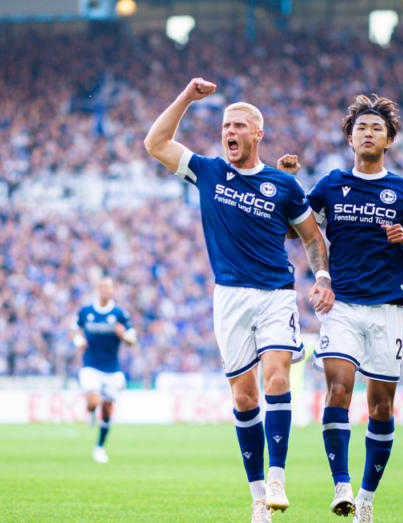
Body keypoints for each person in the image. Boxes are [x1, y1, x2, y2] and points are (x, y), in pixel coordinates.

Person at [143, 78, 335, 523]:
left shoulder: (281, 185)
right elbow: (155, 143)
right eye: (226, 124)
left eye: (238, 125)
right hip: (228, 296)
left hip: (275, 294)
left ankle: (276, 477)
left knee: (276, 380)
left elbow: (311, 237)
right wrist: (188, 97)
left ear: (257, 134)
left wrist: (322, 276)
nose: (229, 131)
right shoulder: (208, 171)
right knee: (245, 398)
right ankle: (256, 499)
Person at [280, 94, 403, 522]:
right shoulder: (331, 185)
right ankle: (342, 484)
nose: (368, 133)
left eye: (376, 128)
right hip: (342, 305)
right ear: (350, 138)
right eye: (361, 128)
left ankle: (367, 500)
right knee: (338, 388)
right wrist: (285, 187)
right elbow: (294, 230)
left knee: (381, 408)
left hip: (389, 308)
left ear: (389, 139)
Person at [72, 277, 137, 464]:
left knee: (107, 410)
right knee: (94, 401)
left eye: (108, 287)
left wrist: (123, 335)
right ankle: (91, 410)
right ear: (97, 289)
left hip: (111, 369)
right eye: (101, 286)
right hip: (90, 366)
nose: (104, 290)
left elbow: (132, 340)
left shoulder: (120, 314)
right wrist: (77, 340)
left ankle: (99, 447)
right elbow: (74, 329)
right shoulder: (86, 311)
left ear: (112, 290)